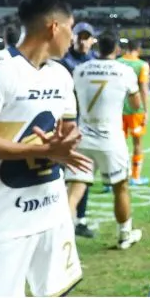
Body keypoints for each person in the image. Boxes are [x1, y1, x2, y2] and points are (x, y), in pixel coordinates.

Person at [0, 0, 91, 297]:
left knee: (58, 291)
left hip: (51, 210)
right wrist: (43, 150)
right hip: (4, 218)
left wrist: (65, 147)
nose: (72, 38)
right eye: (70, 27)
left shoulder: (61, 75)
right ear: (53, 27)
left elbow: (65, 133)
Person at [66, 32, 144, 249]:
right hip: (111, 139)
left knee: (74, 189)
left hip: (82, 138)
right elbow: (136, 104)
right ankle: (124, 236)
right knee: (120, 188)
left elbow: (71, 99)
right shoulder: (124, 71)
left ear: (96, 48)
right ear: (117, 49)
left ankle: (63, 239)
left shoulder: (79, 70)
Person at [59, 22, 98, 238]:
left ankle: (80, 220)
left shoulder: (95, 63)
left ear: (93, 40)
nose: (83, 41)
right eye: (80, 37)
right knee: (60, 175)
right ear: (73, 38)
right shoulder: (64, 62)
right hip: (66, 125)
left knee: (83, 173)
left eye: (87, 37)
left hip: (87, 127)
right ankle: (59, 221)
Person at [118, 40, 150, 186]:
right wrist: (147, 110)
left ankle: (115, 177)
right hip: (135, 110)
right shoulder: (141, 65)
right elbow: (143, 88)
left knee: (118, 144)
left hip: (117, 109)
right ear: (139, 49)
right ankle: (135, 177)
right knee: (137, 143)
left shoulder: (116, 62)